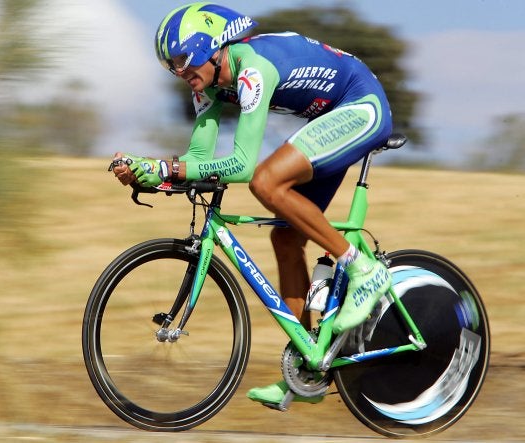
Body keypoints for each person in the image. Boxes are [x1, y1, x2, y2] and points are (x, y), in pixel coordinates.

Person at [112, 2, 392, 407]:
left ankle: (361, 269)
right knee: (285, 239)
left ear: (211, 48)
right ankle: (310, 365)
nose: (181, 74)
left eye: (184, 61)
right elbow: (197, 157)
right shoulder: (207, 86)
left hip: (361, 105)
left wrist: (166, 168)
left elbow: (242, 166)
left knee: (266, 181)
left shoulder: (252, 69)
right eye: (171, 67)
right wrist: (153, 172)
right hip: (329, 120)